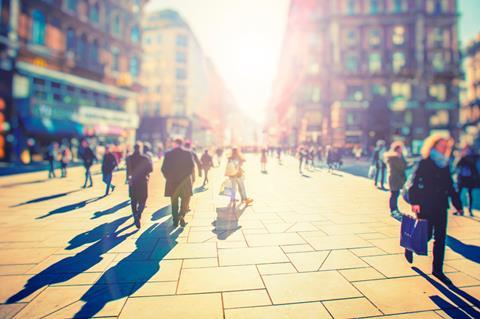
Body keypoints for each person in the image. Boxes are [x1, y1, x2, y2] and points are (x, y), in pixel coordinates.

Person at [408, 134, 463, 285]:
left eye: (446, 145)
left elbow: (450, 185)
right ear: (433, 145)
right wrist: (414, 202)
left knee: (440, 238)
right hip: (425, 205)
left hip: (440, 205)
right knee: (425, 236)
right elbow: (413, 182)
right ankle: (410, 246)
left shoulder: (444, 163)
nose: (445, 147)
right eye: (442, 144)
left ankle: (437, 270)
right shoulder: (425, 162)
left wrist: (457, 204)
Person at [161, 139, 194, 227]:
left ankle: (175, 220)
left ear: (174, 144)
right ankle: (181, 215)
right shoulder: (187, 153)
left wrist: (168, 178)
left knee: (174, 201)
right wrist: (186, 176)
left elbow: (163, 168)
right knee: (185, 199)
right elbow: (191, 166)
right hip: (185, 182)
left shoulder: (168, 154)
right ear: (182, 144)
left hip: (172, 182)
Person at [127, 143, 153, 228]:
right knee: (143, 198)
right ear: (140, 148)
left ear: (134, 148)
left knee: (133, 200)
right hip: (142, 181)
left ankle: (135, 214)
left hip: (133, 181)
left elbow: (128, 170)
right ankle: (138, 214)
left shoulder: (129, 158)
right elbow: (150, 169)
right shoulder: (145, 158)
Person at [384, 141, 407, 217]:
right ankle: (393, 210)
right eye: (401, 148)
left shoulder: (399, 156)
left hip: (397, 178)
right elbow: (401, 167)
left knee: (395, 194)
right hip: (394, 178)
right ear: (397, 149)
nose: (402, 150)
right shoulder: (393, 157)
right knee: (394, 194)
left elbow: (404, 165)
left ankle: (395, 209)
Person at [455, 146, 479, 216]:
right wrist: (461, 157)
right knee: (458, 193)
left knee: (469, 194)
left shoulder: (473, 158)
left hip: (469, 178)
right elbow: (457, 165)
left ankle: (469, 210)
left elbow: (474, 166)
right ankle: (460, 209)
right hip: (462, 178)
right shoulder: (462, 157)